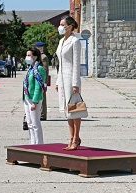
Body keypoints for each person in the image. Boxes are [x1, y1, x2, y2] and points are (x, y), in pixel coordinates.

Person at [55, 16, 82, 151]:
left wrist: (75, 83)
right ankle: (70, 137)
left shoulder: (75, 41)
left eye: (62, 24)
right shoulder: (61, 41)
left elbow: (76, 64)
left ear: (70, 26)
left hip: (71, 79)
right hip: (62, 78)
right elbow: (60, 63)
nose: (60, 27)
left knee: (75, 109)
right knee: (67, 110)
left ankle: (76, 138)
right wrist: (57, 81)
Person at [23, 46, 46, 144]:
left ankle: (39, 144)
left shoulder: (39, 69)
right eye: (26, 55)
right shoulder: (30, 69)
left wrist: (35, 102)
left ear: (35, 57)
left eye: (29, 55)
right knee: (29, 123)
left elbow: (38, 87)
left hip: (34, 99)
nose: (27, 57)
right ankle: (32, 143)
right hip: (27, 98)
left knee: (35, 123)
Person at [34, 41, 49, 121]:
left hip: (42, 81)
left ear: (40, 48)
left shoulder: (43, 57)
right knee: (39, 97)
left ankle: (43, 115)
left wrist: (45, 83)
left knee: (42, 98)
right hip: (37, 80)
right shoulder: (38, 57)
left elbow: (45, 70)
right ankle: (40, 113)